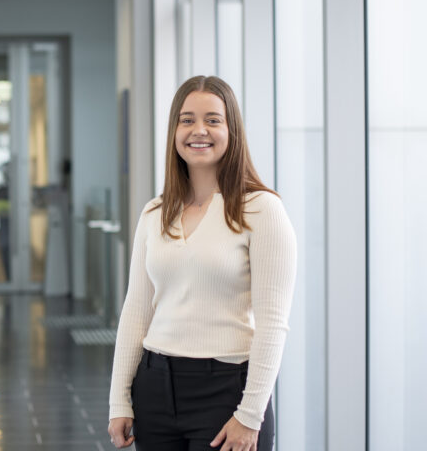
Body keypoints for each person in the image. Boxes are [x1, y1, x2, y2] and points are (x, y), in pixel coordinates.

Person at [107, 76, 296, 451]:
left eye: (213, 120)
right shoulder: (155, 212)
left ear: (232, 130)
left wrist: (250, 414)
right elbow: (136, 311)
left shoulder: (261, 209)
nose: (199, 130)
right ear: (174, 130)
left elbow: (273, 323)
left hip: (227, 394)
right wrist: (119, 400)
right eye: (187, 119)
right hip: (155, 390)